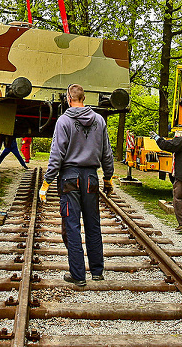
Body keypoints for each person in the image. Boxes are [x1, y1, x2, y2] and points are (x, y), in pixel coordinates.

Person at [40, 84, 115, 287]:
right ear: (84, 98)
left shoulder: (64, 121)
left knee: (72, 227)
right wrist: (108, 178)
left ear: (68, 98)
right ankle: (97, 271)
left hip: (69, 179)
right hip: (91, 178)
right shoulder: (99, 120)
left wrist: (46, 182)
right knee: (93, 225)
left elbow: (57, 155)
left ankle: (78, 275)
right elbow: (107, 153)